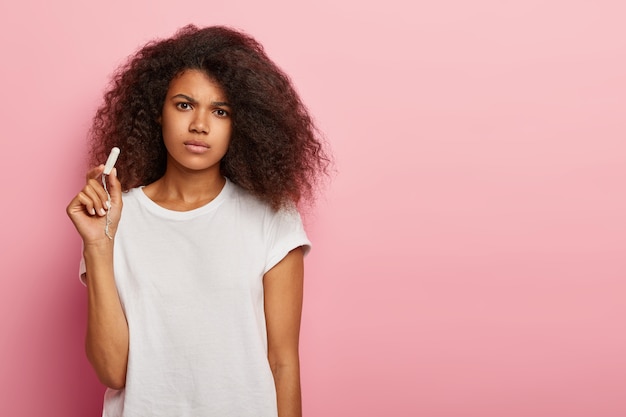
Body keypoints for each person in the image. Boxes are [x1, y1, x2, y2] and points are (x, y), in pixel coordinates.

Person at [66, 25, 329, 417]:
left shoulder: (272, 217)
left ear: (242, 123)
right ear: (158, 111)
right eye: (184, 105)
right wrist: (99, 244)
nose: (200, 125)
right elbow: (113, 371)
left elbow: (283, 363)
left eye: (220, 111)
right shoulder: (116, 218)